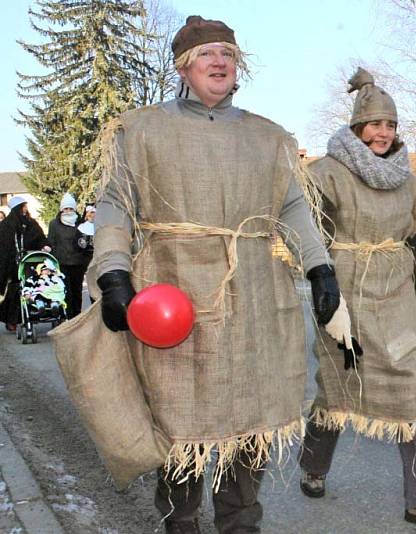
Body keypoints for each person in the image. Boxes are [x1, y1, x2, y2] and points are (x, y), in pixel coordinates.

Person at [87, 16, 351, 533]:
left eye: (227, 54)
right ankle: (179, 523)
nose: (219, 62)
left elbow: (293, 207)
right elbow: (115, 205)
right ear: (184, 66)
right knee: (181, 426)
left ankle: (240, 525)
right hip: (172, 294)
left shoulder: (268, 138)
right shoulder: (140, 130)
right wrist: (113, 274)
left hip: (254, 298)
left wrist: (320, 268)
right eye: (207, 54)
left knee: (248, 423)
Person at [298, 68, 416, 530]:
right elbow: (309, 238)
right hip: (344, 291)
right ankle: (313, 467)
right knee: (338, 387)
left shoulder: (408, 183)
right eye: (374, 125)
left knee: (411, 391)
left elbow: (412, 242)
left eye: (390, 125)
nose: (383, 133)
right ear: (356, 129)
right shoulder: (326, 175)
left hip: (396, 296)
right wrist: (325, 298)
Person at [0, 196, 50, 332]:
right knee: (15, 290)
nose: (26, 209)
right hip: (13, 264)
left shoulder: (30, 223)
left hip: (31, 261)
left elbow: (40, 238)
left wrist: (44, 246)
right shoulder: (6, 226)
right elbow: (4, 248)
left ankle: (34, 313)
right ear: (17, 209)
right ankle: (12, 320)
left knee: (34, 286)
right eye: (23, 207)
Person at [48, 193, 90, 319]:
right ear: (61, 209)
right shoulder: (54, 224)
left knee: (77, 291)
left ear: (74, 209)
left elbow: (86, 242)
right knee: (66, 292)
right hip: (62, 263)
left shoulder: (81, 223)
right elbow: (51, 242)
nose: (68, 211)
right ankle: (68, 316)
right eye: (65, 208)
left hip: (78, 263)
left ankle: (77, 316)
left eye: (70, 208)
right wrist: (53, 257)